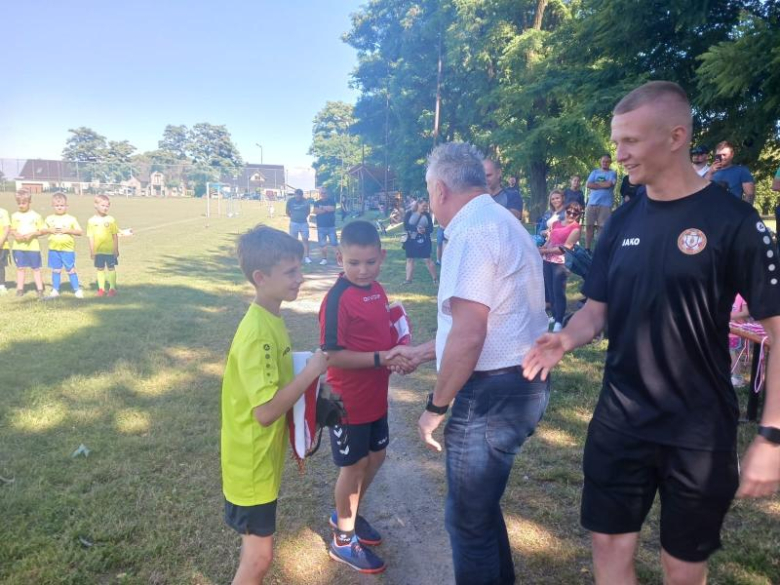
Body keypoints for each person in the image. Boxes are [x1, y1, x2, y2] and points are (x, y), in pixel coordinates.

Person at [522, 80, 780, 585]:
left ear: (676, 136)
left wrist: (771, 435)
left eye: (630, 143)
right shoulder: (621, 220)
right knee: (609, 556)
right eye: (617, 143)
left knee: (682, 570)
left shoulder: (736, 222)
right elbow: (597, 311)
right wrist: (565, 338)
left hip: (698, 431)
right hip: (620, 421)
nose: (618, 157)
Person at [386, 142, 550, 585]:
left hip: (494, 393)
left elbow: (472, 332)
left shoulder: (471, 229)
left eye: (427, 192)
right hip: (518, 384)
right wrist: (423, 351)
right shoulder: (499, 219)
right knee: (479, 510)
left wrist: (436, 407)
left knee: (467, 522)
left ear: (439, 189)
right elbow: (488, 319)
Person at [221, 225, 328, 585]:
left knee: (256, 554)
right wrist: (311, 372)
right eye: (291, 272)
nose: (301, 278)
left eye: (300, 269)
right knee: (259, 560)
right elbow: (265, 412)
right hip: (250, 465)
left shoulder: (272, 317)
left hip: (261, 461)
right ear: (260, 277)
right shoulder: (257, 334)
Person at [318, 220, 411, 574]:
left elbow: (385, 336)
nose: (362, 270)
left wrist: (398, 353)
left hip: (375, 395)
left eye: (370, 262)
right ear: (339, 257)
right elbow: (331, 355)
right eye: (353, 263)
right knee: (353, 466)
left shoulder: (380, 290)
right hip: (344, 400)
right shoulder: (337, 299)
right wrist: (381, 358)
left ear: (382, 256)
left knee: (377, 457)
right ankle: (343, 541)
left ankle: (347, 515)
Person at [540, 201, 583, 332]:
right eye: (569, 211)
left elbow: (565, 248)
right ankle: (554, 315)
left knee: (558, 291)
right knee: (550, 289)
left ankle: (559, 320)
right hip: (547, 261)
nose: (571, 214)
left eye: (575, 213)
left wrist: (544, 251)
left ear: (578, 215)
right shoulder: (555, 224)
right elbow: (550, 241)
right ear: (565, 210)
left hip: (561, 263)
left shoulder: (576, 228)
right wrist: (542, 248)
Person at [43, 192, 84, 299]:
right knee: (56, 270)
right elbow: (42, 231)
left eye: (62, 205)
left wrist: (68, 230)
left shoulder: (71, 219)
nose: (59, 208)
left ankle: (77, 290)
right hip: (53, 249)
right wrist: (49, 230)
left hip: (67, 250)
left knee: (71, 270)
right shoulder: (49, 218)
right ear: (53, 206)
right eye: (57, 206)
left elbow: (80, 232)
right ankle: (55, 290)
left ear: (66, 206)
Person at [10, 189, 45, 298]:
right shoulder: (15, 216)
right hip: (18, 247)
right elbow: (12, 230)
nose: (21, 205)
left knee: (36, 268)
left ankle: (40, 289)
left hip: (33, 247)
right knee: (20, 268)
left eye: (23, 203)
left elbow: (42, 230)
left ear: (29, 201)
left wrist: (32, 234)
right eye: (19, 203)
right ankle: (20, 289)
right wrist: (16, 234)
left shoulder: (36, 216)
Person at [87, 194, 119, 297]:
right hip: (98, 251)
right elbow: (91, 237)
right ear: (96, 205)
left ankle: (112, 288)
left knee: (111, 268)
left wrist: (115, 249)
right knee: (100, 268)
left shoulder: (111, 220)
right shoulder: (91, 221)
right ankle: (101, 289)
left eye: (107, 206)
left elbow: (115, 235)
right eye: (102, 205)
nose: (105, 208)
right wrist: (92, 251)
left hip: (109, 250)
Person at [584, 155, 617, 251]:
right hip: (592, 203)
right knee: (589, 226)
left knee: (602, 228)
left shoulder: (612, 173)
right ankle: (587, 249)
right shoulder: (594, 172)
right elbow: (588, 184)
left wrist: (595, 185)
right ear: (600, 161)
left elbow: (609, 184)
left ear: (610, 162)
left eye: (607, 161)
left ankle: (599, 250)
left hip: (605, 204)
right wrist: (603, 185)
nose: (605, 163)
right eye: (603, 161)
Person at [402, 200, 437, 285]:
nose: (425, 208)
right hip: (411, 240)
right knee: (410, 259)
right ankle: (408, 280)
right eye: (423, 206)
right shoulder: (409, 213)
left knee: (427, 260)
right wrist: (416, 229)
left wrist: (425, 230)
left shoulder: (427, 215)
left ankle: (435, 279)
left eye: (426, 206)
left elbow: (431, 229)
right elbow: (406, 226)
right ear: (418, 204)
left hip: (424, 240)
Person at [285, 189, 313, 264]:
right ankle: (295, 257)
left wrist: (303, 217)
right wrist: (292, 217)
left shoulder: (305, 201)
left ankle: (307, 257)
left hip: (303, 223)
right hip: (294, 223)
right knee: (294, 241)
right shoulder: (290, 201)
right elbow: (287, 211)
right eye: (296, 195)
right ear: (295, 195)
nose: (297, 196)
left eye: (299, 195)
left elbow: (308, 211)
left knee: (305, 240)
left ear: (301, 195)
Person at [313, 187, 338, 265]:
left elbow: (332, 209)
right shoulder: (316, 202)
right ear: (320, 194)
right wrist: (326, 209)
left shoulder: (332, 201)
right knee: (322, 244)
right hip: (321, 226)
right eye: (322, 193)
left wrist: (322, 208)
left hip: (331, 226)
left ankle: (339, 259)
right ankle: (324, 259)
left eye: (324, 193)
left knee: (334, 244)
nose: (323, 194)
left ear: (327, 193)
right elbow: (316, 211)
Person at [0, 203, 10, 295]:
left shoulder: (3, 212)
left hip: (2, 245)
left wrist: (1, 242)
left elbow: (7, 228)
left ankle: (2, 285)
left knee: (0, 265)